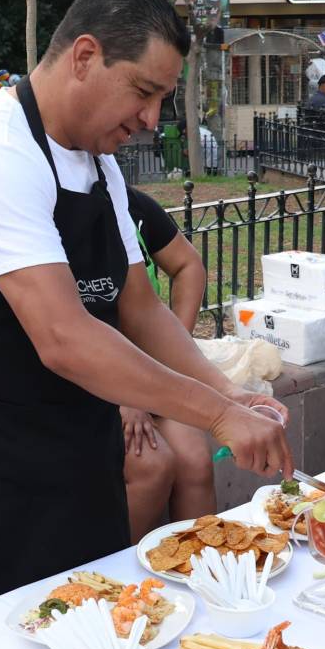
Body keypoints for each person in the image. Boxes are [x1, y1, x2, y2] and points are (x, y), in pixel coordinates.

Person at [0, 0, 292, 619]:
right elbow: (64, 337)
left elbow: (139, 306)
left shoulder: (98, 163)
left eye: (163, 98)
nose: (152, 120)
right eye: (143, 92)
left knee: (100, 635)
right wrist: (215, 418)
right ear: (84, 56)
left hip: (72, 448)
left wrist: (227, 392)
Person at [120, 186, 216, 536]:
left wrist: (175, 348)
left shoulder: (131, 204)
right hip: (93, 379)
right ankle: (112, 583)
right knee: (153, 466)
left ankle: (203, 572)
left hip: (146, 373)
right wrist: (123, 395)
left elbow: (188, 263)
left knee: (195, 460)